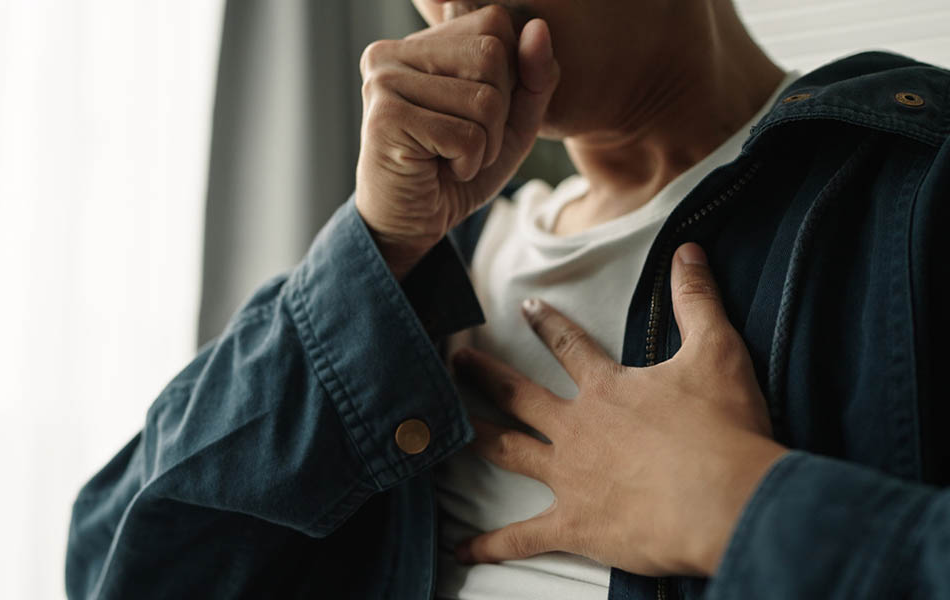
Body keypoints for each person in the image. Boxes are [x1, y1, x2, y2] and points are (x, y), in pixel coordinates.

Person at [66, 1, 950, 598]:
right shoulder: (425, 267)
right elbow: (117, 569)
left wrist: (735, 506)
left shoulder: (917, 186)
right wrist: (376, 248)